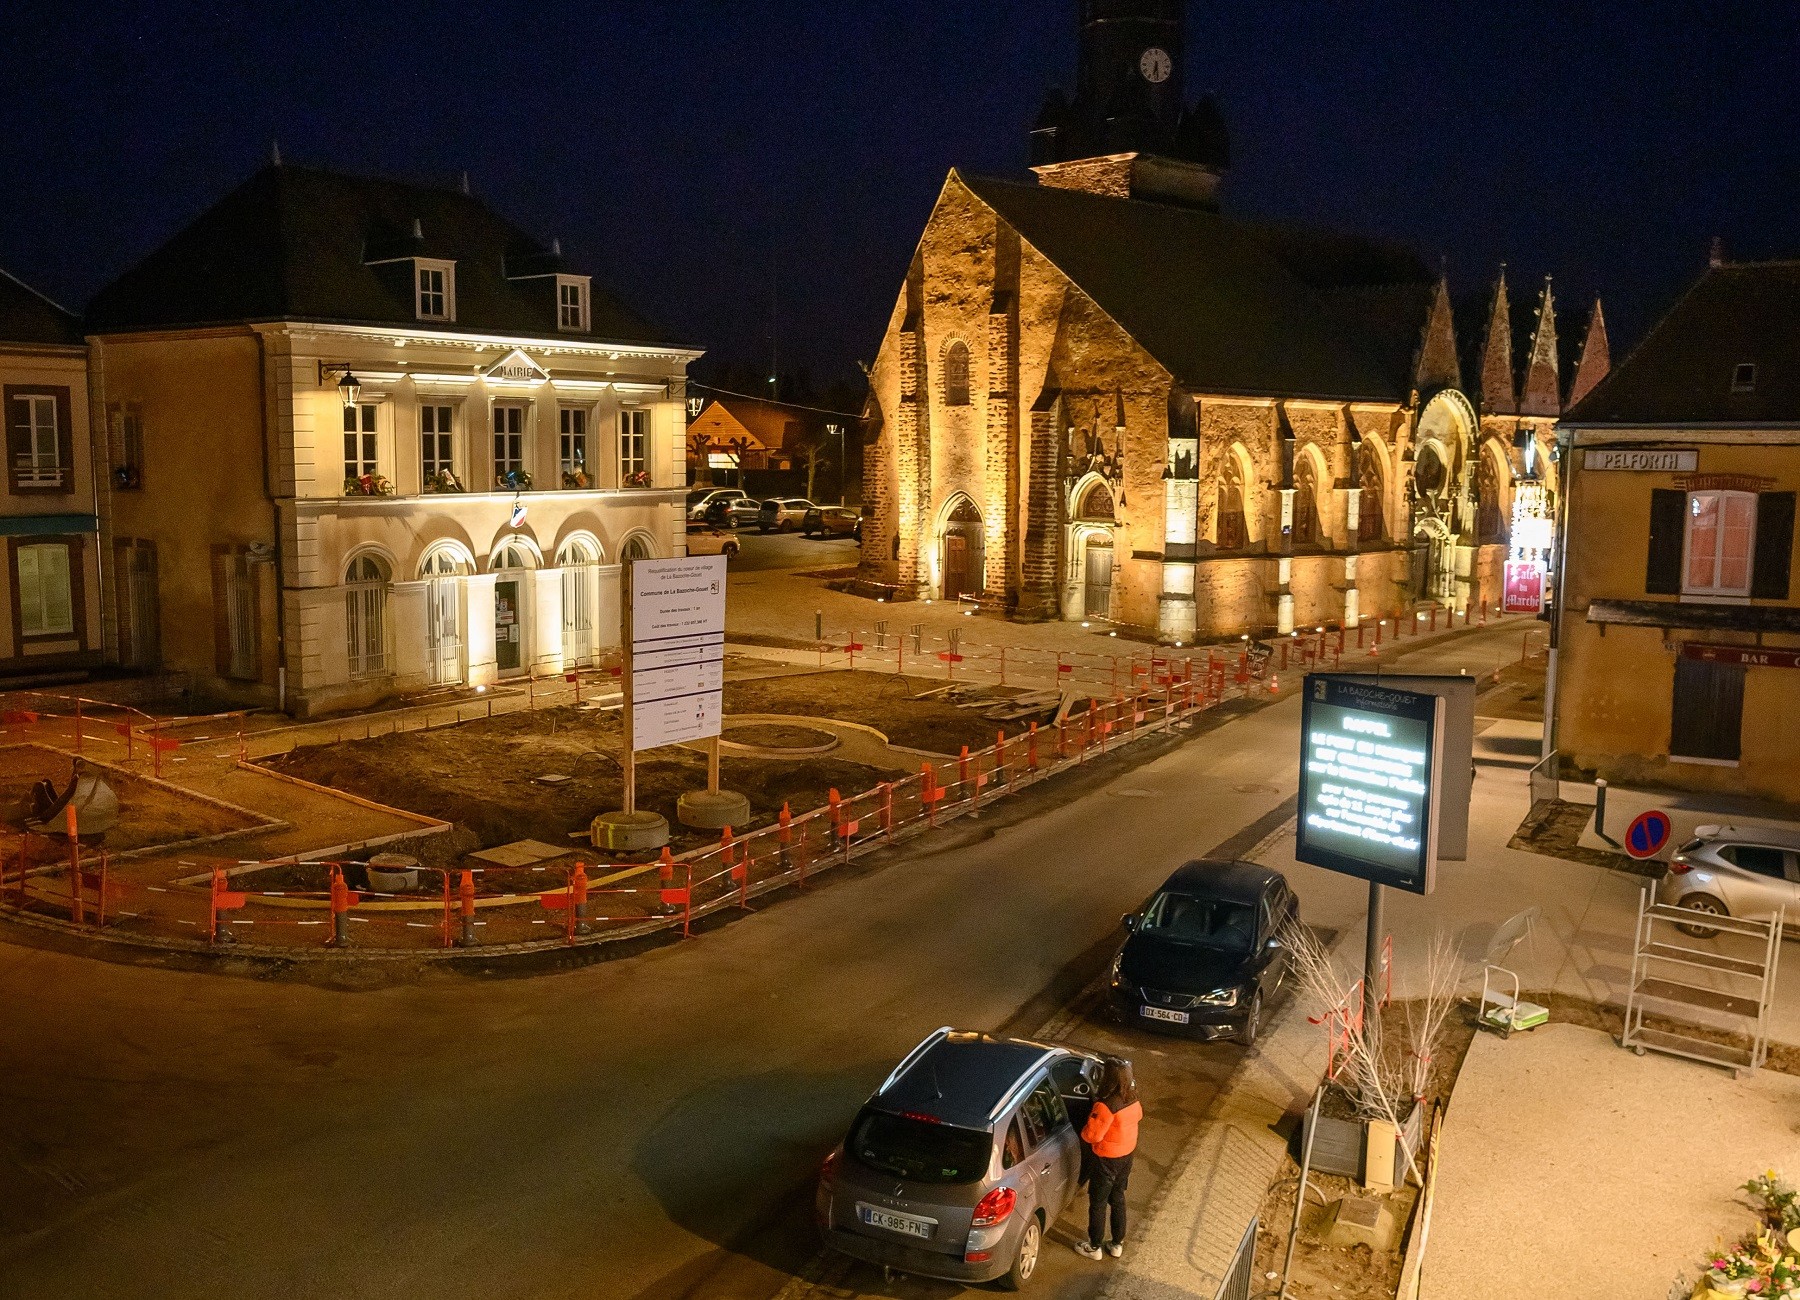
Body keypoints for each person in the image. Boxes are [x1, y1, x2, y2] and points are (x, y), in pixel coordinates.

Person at [1075, 1058, 1141, 1260]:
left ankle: (1094, 1246)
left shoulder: (1106, 1105)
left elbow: (1092, 1136)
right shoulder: (1133, 1099)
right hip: (1126, 1156)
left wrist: (1085, 1128)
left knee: (1098, 1202)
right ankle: (1116, 1243)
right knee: (1118, 1197)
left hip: (1106, 1159)